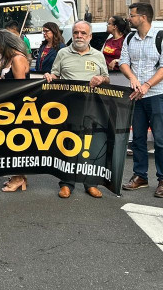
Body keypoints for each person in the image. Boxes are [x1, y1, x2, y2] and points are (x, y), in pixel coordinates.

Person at [44, 21, 109, 199]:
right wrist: (50, 76)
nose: (79, 36)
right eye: (76, 32)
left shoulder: (98, 55)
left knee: (90, 146)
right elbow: (55, 74)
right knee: (68, 145)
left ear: (90, 37)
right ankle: (66, 183)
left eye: (83, 33)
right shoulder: (62, 53)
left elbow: (107, 78)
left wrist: (101, 79)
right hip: (69, 108)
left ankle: (91, 183)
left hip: (92, 108)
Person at [120, 2, 163, 198]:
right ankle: (140, 175)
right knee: (138, 139)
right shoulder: (129, 38)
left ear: (143, 17)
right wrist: (133, 78)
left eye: (132, 15)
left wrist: (147, 85)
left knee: (160, 139)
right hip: (136, 95)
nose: (129, 18)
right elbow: (123, 62)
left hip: (157, 95)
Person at [0, 30, 31, 193]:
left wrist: (0, 82)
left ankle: (19, 177)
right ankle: (18, 175)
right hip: (9, 107)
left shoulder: (18, 59)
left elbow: (19, 87)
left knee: (17, 143)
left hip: (17, 108)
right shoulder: (10, 59)